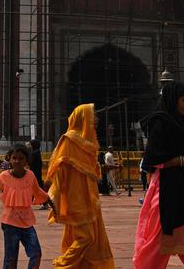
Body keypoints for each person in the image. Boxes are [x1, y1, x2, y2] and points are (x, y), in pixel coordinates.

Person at [134, 80, 184, 269]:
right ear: (173, 100)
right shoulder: (160, 123)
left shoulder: (182, 121)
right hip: (165, 190)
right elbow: (153, 159)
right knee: (156, 243)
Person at [47, 103, 114, 269]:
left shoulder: (88, 144)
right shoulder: (69, 140)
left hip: (89, 198)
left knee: (86, 236)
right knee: (87, 237)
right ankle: (63, 264)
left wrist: (106, 168)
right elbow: (59, 170)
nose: (96, 120)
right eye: (93, 116)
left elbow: (92, 171)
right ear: (83, 118)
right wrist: (54, 196)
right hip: (75, 198)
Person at [0, 143, 53, 269]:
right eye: (14, 158)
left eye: (21, 158)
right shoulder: (4, 176)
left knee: (36, 253)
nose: (17, 161)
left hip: (27, 222)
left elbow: (38, 192)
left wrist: (52, 201)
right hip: (9, 223)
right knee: (10, 259)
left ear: (27, 160)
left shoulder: (30, 175)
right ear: (9, 159)